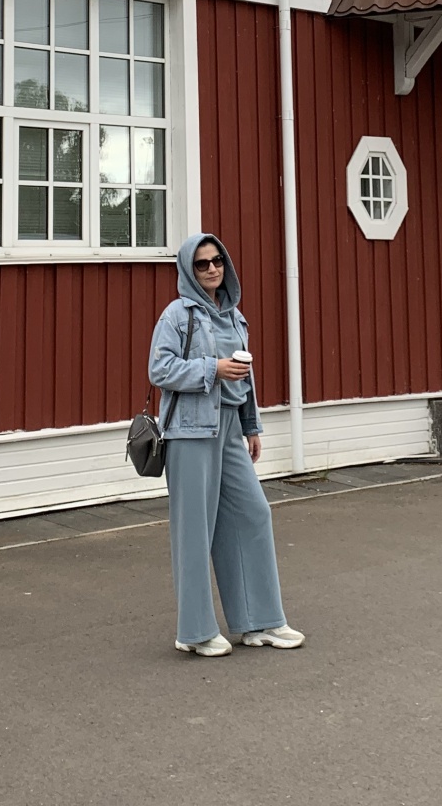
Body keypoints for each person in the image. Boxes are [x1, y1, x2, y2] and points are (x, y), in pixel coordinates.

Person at [148, 233, 304, 657]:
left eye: (217, 261)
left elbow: (246, 377)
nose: (212, 268)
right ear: (188, 270)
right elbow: (159, 369)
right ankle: (195, 632)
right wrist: (212, 368)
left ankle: (260, 622)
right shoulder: (177, 315)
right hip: (190, 432)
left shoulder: (235, 317)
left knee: (253, 513)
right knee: (195, 530)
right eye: (202, 264)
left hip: (231, 429)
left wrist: (252, 426)